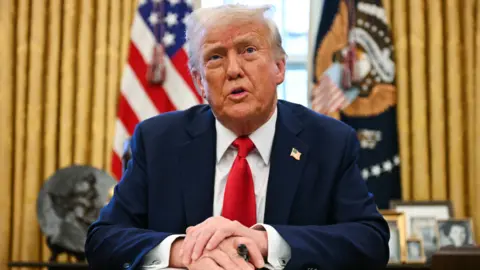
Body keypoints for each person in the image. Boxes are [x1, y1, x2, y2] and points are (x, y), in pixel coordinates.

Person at [85, 4, 390, 270]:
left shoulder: (329, 141)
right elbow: (103, 240)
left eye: (248, 50)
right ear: (199, 83)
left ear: (279, 68)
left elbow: (370, 241)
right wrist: (182, 252)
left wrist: (265, 241)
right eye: (215, 57)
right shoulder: (157, 141)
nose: (233, 70)